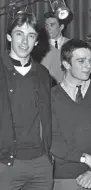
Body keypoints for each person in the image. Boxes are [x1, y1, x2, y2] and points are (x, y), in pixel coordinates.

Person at [51, 39, 91, 190]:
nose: (88, 66)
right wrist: (86, 159)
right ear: (66, 64)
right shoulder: (51, 96)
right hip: (65, 176)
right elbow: (53, 140)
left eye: (90, 60)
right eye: (81, 61)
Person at [0, 12, 53, 189]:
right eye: (19, 34)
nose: (24, 41)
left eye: (30, 36)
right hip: (5, 164)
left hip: (40, 164)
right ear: (9, 36)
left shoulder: (43, 74)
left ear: (37, 41)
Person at [41, 11, 69, 84]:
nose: (48, 28)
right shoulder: (40, 47)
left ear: (61, 27)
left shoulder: (71, 45)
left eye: (52, 25)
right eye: (46, 25)